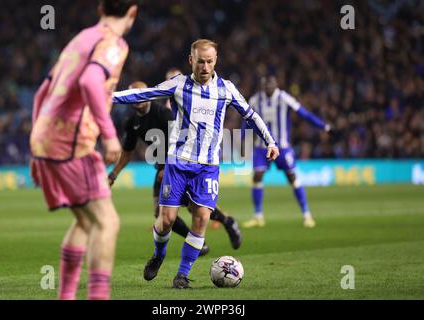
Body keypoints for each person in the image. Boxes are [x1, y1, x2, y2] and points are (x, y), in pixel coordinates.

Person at [113, 39, 279, 289]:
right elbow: (142, 94)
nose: (205, 66)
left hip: (207, 167)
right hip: (178, 163)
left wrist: (270, 142)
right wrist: (107, 97)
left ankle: (181, 274)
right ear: (191, 60)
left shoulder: (226, 89)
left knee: (201, 219)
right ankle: (159, 255)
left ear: (216, 61)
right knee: (166, 219)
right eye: (200, 61)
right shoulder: (178, 85)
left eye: (209, 61)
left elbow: (251, 115)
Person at [29, 0, 138, 300]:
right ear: (133, 12)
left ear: (100, 8)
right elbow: (91, 81)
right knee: (107, 222)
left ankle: (66, 296)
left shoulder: (80, 39)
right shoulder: (113, 43)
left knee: (85, 220)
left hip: (46, 139)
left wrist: (35, 147)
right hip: (72, 142)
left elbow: (42, 92)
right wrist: (110, 134)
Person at [108, 81, 242, 256]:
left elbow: (180, 139)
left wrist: (167, 166)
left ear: (147, 95)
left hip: (182, 164)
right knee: (161, 213)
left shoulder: (163, 114)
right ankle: (199, 241)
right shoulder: (132, 122)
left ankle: (227, 222)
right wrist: (113, 174)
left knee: (194, 206)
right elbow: (127, 152)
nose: (138, 99)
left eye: (140, 94)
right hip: (164, 168)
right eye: (134, 95)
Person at [242, 75, 332, 229]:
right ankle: (258, 217)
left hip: (282, 147)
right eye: (266, 84)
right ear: (263, 86)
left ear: (276, 84)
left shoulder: (284, 98)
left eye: (272, 83)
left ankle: (307, 215)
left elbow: (304, 114)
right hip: (261, 147)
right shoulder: (255, 100)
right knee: (257, 176)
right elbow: (246, 120)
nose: (269, 86)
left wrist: (322, 126)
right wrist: (242, 138)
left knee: (292, 176)